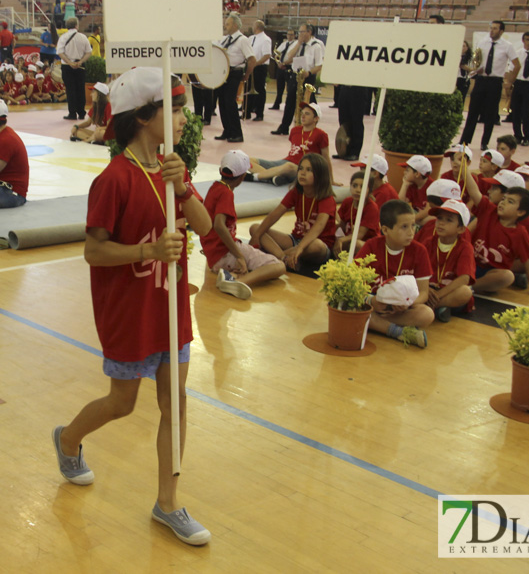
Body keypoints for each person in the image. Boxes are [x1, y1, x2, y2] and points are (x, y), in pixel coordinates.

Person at [53, 67, 213, 547]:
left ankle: (168, 504)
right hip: (129, 311)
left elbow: (203, 227)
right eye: (177, 108)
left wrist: (183, 187)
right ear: (145, 117)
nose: (186, 118)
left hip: (172, 311)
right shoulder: (113, 180)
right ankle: (66, 438)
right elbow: (93, 251)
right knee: (123, 402)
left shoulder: (172, 171)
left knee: (176, 406)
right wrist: (145, 252)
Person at [202, 150, 286, 299]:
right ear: (242, 177)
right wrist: (239, 256)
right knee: (278, 266)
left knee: (262, 266)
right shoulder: (226, 193)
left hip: (214, 258)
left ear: (220, 170)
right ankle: (237, 281)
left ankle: (230, 275)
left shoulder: (214, 188)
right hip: (225, 254)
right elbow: (219, 225)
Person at [357, 199, 434, 347]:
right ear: (385, 230)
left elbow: (424, 293)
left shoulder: (419, 251)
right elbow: (353, 284)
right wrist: (371, 301)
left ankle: (375, 324)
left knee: (427, 314)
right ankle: (397, 331)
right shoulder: (372, 246)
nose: (411, 232)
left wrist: (407, 304)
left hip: (400, 311)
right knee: (349, 305)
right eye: (404, 227)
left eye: (413, 226)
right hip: (373, 305)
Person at [249, 153, 335, 271]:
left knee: (316, 245)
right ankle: (283, 258)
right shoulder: (296, 192)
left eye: (309, 170)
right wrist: (257, 235)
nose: (302, 173)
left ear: (320, 175)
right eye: (301, 169)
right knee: (255, 228)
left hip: (317, 245)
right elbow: (275, 214)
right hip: (295, 239)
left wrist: (300, 248)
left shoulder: (327, 199)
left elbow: (318, 227)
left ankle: (273, 257)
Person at [468, 183, 529, 297]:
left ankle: (470, 288)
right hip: (470, 263)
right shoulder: (489, 211)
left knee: (507, 276)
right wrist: (464, 169)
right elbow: (474, 192)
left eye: (510, 201)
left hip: (492, 271)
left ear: (520, 212)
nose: (503, 202)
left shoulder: (520, 233)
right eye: (503, 199)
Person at [460, 20, 519, 150]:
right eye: (491, 28)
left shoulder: (507, 46)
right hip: (481, 79)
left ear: (501, 31)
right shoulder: (482, 42)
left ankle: (484, 142)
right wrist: (476, 69)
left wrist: (510, 81)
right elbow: (477, 61)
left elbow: (517, 65)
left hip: (495, 81)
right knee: (473, 111)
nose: (492, 31)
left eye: (495, 28)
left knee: (490, 114)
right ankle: (464, 141)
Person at [249, 102, 329, 186]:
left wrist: (329, 180)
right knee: (248, 161)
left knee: (288, 167)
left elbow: (325, 158)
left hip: (302, 168)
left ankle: (254, 176)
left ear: (316, 118)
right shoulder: (295, 130)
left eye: (307, 114)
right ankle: (271, 177)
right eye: (302, 113)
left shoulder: (321, 134)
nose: (303, 116)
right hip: (286, 162)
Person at [421, 199, 476, 323]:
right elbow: (416, 270)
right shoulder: (428, 242)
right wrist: (426, 290)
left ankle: (434, 306)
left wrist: (437, 296)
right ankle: (437, 308)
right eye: (440, 218)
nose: (441, 223)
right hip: (427, 289)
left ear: (461, 229)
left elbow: (464, 278)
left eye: (449, 220)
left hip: (447, 292)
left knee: (465, 292)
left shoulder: (465, 247)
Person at [274, 22, 323, 136]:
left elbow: (319, 65)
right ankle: (284, 127)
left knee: (309, 103)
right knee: (290, 101)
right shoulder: (297, 44)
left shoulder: (316, 46)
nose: (299, 34)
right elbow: (289, 57)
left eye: (302, 32)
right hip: (295, 76)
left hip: (308, 76)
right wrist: (299, 43)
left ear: (309, 32)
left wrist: (309, 73)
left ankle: (311, 128)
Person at [215, 12, 257, 143]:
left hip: (235, 72)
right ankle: (227, 130)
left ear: (234, 25)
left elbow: (252, 59)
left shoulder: (243, 40)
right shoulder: (225, 39)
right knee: (222, 102)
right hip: (223, 73)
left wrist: (246, 75)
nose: (225, 26)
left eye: (227, 24)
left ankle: (237, 133)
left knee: (230, 102)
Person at [334, 169, 379, 256]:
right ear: (350, 187)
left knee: (355, 244)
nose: (358, 190)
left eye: (362, 187)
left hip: (366, 244)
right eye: (354, 186)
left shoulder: (371, 207)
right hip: (349, 239)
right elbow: (341, 225)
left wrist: (341, 240)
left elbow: (359, 235)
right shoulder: (347, 202)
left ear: (369, 190)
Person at [57, 17, 92, 122]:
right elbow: (88, 52)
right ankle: (81, 113)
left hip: (67, 66)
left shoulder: (63, 37)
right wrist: (80, 61)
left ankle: (72, 113)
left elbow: (60, 52)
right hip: (80, 65)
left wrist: (69, 62)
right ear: (77, 25)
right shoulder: (83, 37)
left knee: (70, 90)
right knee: (80, 89)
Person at [247, 20, 272, 121]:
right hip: (251, 66)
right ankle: (247, 111)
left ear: (257, 27)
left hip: (259, 67)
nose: (252, 27)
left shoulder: (266, 39)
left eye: (253, 25)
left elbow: (267, 55)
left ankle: (259, 113)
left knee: (260, 90)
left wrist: (256, 63)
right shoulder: (252, 38)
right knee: (248, 89)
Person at [271, 29, 296, 111]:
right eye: (288, 34)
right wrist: (278, 63)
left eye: (292, 34)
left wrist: (284, 63)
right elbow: (276, 54)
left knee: (289, 88)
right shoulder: (284, 44)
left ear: (294, 35)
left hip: (290, 67)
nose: (290, 36)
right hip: (280, 67)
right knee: (279, 86)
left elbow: (294, 57)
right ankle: (277, 104)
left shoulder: (296, 44)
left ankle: (288, 105)